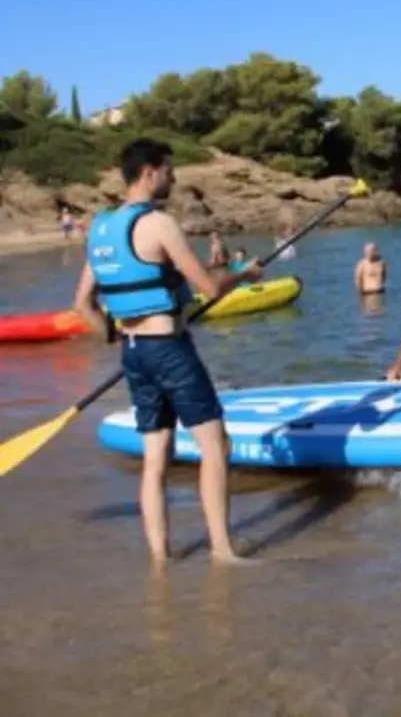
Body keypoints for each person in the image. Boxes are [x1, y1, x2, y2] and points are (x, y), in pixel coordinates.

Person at [72, 138, 262, 564]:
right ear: (149, 173)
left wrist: (114, 335)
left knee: (156, 455)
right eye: (169, 171)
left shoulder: (100, 228)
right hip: (170, 349)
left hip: (135, 354)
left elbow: (81, 305)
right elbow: (209, 287)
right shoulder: (159, 224)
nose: (173, 178)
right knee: (216, 447)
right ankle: (223, 550)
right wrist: (244, 274)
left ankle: (160, 555)